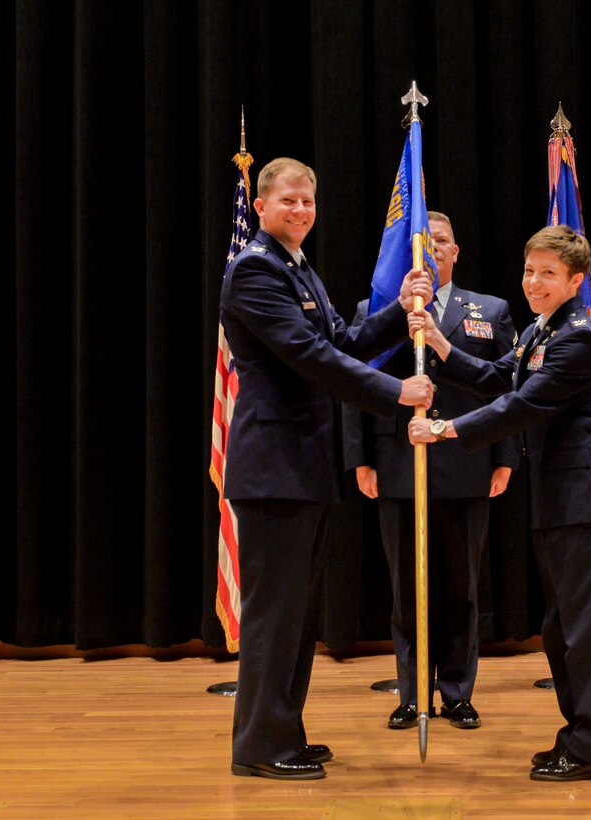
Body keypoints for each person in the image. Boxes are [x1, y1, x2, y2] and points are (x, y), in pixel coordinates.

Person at [219, 157, 434, 780]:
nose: (300, 211)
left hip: (302, 467)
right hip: (274, 468)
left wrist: (398, 309)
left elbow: (342, 341)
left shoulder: (298, 268)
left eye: (308, 202)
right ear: (261, 206)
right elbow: (311, 357)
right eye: (288, 201)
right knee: (274, 613)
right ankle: (260, 745)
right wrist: (396, 393)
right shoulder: (256, 270)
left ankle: (283, 730)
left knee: (296, 614)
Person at [408, 224, 591, 782]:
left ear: (576, 280)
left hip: (586, 501)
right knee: (561, 631)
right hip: (558, 501)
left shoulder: (579, 336)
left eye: (548, 274)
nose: (534, 282)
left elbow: (519, 407)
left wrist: (445, 430)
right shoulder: (540, 331)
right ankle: (576, 736)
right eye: (530, 271)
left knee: (588, 633)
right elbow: (500, 377)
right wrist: (440, 345)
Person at [343, 212, 520, 731]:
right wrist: (360, 457)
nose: (432, 250)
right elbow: (354, 386)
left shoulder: (490, 309)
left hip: (467, 464)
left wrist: (504, 456)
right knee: (407, 588)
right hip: (398, 463)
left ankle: (458, 692)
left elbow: (508, 390)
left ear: (455, 251)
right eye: (423, 243)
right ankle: (413, 692)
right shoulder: (376, 310)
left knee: (462, 588)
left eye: (440, 242)